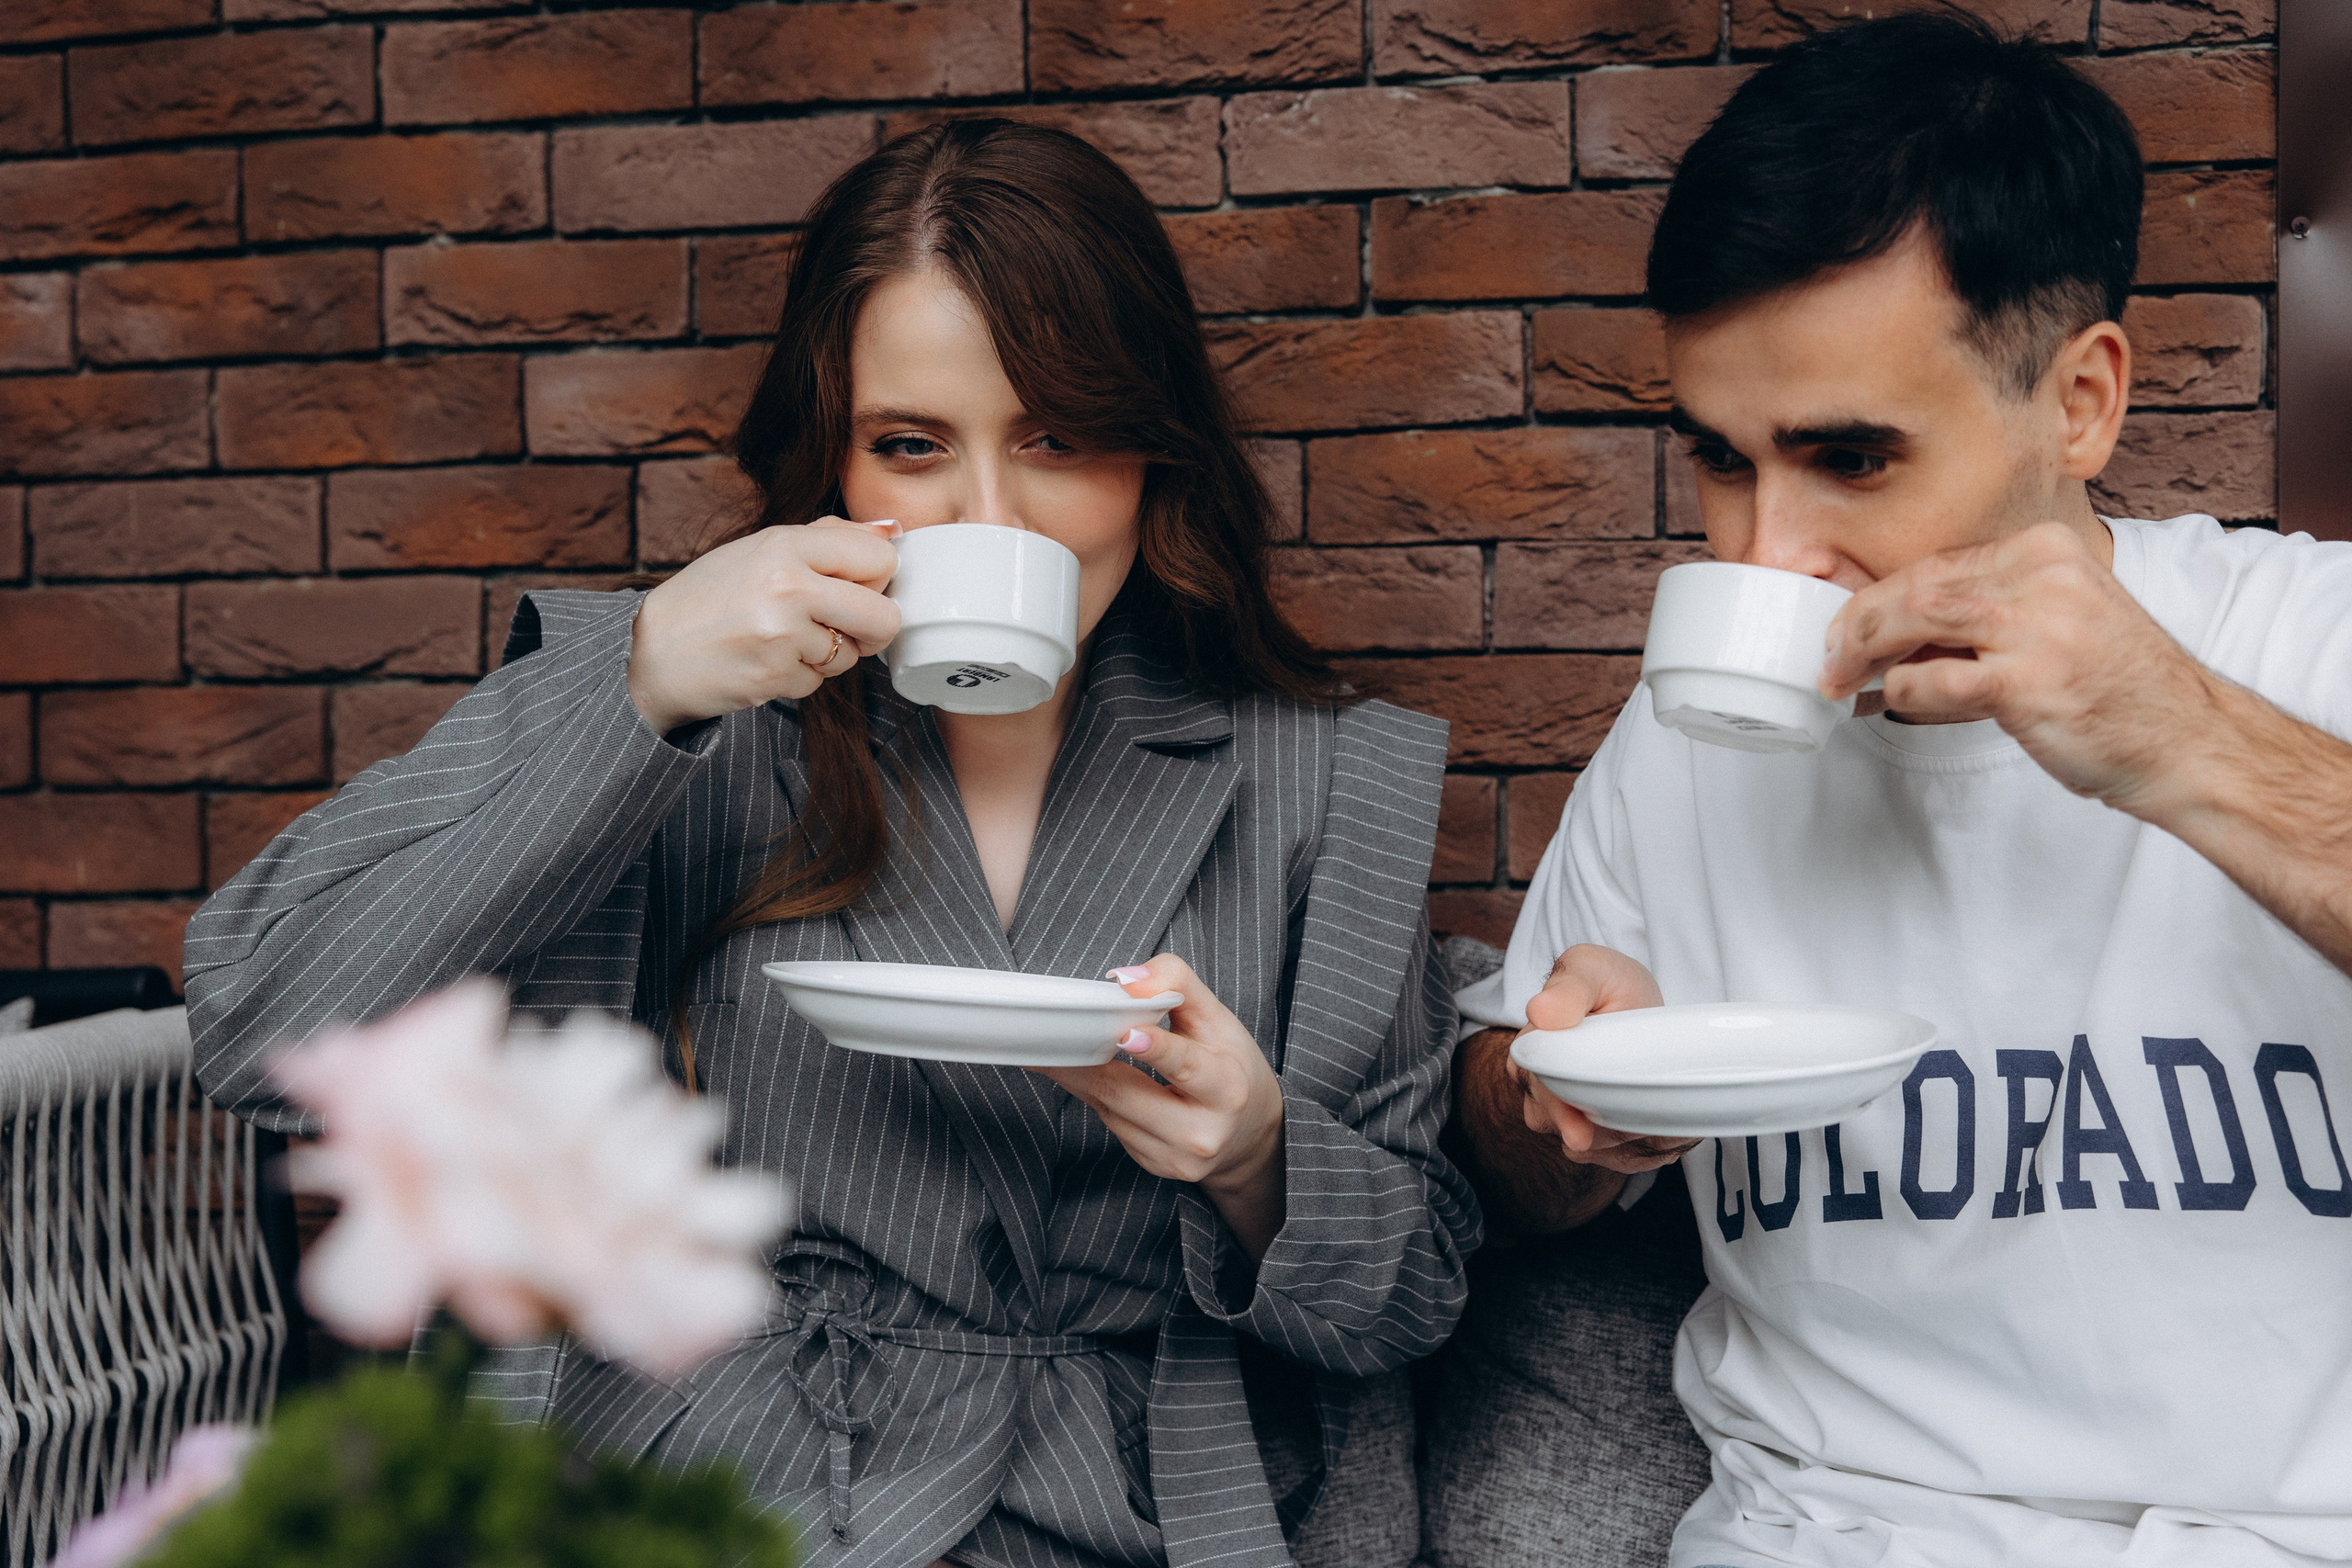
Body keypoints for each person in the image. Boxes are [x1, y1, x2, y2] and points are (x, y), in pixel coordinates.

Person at [187, 119, 1477, 1568]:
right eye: (912, 448)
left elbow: (1408, 1303)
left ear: (1153, 450)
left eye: (1056, 438)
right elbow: (255, 1023)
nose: (994, 519)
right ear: (831, 455)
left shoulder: (1317, 774)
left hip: (1125, 1509)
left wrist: (1257, 1158)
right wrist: (644, 685)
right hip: (716, 1481)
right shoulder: (690, 696)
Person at [1451, 15, 2352, 1568]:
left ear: (2080, 403)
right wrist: (1552, 1102)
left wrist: (2184, 740)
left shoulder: (2309, 640)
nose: (1761, 556)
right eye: (1724, 462)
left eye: (1851, 460)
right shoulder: (1683, 743)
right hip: (1823, 1536)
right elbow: (1507, 1177)